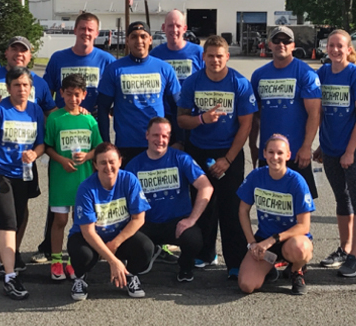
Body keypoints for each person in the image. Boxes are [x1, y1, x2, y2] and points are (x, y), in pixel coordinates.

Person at [0, 36, 55, 276]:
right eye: (14, 49)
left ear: (30, 55)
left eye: (24, 51)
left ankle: (11, 252)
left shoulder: (39, 86)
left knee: (20, 209)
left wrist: (78, 112)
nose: (19, 54)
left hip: (24, 165)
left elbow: (51, 113)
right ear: (6, 53)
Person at [37, 12, 115, 264]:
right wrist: (56, 114)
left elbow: (113, 96)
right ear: (75, 30)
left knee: (88, 199)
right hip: (62, 132)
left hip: (90, 130)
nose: (86, 33)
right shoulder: (59, 58)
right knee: (59, 204)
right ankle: (52, 251)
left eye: (91, 29)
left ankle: (85, 251)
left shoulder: (106, 59)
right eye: (82, 28)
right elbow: (45, 93)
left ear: (97, 32)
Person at [177, 35, 257, 280]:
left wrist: (229, 159)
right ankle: (204, 253)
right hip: (199, 150)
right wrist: (201, 119)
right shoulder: (192, 82)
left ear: (227, 57)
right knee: (203, 205)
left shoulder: (239, 83)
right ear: (203, 57)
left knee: (232, 209)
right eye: (210, 55)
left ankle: (234, 262)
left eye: (219, 56)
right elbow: (181, 119)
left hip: (229, 152)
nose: (214, 60)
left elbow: (246, 125)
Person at [0, 66, 46, 299]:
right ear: (8, 88)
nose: (21, 89)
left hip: (23, 174)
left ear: (31, 88)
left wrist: (35, 154)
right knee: (7, 222)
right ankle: (9, 278)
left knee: (15, 221)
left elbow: (41, 144)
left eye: (25, 85)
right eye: (16, 85)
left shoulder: (36, 111)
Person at [314, 29, 356, 278]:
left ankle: (355, 257)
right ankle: (344, 248)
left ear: (349, 49)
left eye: (340, 46)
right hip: (330, 149)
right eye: (331, 45)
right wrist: (321, 146)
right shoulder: (323, 73)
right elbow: (320, 111)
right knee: (341, 197)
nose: (335, 50)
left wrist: (349, 151)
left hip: (354, 149)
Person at [127, 117, 213, 282]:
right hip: (147, 223)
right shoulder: (134, 165)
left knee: (193, 239)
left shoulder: (181, 159)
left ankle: (185, 266)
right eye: (156, 135)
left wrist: (191, 219)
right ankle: (146, 256)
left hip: (176, 223)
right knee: (131, 240)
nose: (160, 140)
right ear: (147, 135)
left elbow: (206, 187)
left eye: (165, 136)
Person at [67, 142, 154, 301]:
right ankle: (79, 278)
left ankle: (130, 275)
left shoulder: (129, 180)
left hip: (117, 236)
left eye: (112, 161)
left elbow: (139, 219)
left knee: (146, 248)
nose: (108, 167)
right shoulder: (86, 188)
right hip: (90, 238)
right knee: (82, 255)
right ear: (95, 165)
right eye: (102, 162)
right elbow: (88, 232)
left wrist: (114, 244)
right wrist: (113, 261)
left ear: (120, 161)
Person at [249, 26, 321, 199]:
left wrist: (306, 147)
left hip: (296, 154)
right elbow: (254, 115)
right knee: (269, 202)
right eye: (276, 40)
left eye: (286, 41)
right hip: (268, 154)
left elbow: (314, 113)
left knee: (298, 207)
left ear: (293, 45)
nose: (281, 44)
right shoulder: (259, 75)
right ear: (269, 44)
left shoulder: (306, 73)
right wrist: (253, 145)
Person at [237, 135, 314, 296]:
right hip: (264, 240)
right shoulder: (256, 176)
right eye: (271, 152)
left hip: (291, 239)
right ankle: (270, 267)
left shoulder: (296, 181)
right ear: (264, 154)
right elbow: (243, 211)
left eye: (280, 153)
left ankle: (296, 270)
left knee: (300, 249)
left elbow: (304, 225)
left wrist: (271, 240)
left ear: (288, 155)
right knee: (246, 285)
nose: (275, 157)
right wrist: (252, 243)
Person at [44, 74, 103, 281]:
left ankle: (72, 259)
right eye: (68, 94)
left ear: (84, 95)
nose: (73, 99)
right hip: (61, 177)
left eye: (77, 95)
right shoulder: (55, 118)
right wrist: (61, 160)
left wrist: (87, 156)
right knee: (60, 220)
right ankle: (56, 259)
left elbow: (99, 148)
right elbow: (48, 147)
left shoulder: (89, 120)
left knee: (79, 222)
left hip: (83, 179)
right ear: (61, 94)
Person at [97, 21, 181, 167]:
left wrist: (179, 141)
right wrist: (106, 143)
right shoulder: (114, 69)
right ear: (127, 41)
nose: (139, 41)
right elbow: (103, 108)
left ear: (150, 39)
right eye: (134, 37)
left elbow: (177, 107)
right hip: (126, 145)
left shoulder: (165, 69)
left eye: (143, 36)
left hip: (158, 144)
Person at [150, 9, 204, 147]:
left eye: (178, 26)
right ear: (163, 28)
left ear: (185, 28)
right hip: (166, 115)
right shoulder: (155, 54)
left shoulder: (198, 52)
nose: (174, 29)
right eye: (170, 25)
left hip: (192, 115)